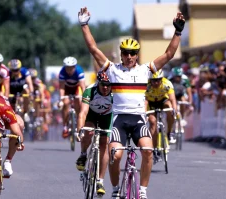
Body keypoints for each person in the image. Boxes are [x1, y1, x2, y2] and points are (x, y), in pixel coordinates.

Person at [78, 7, 185, 199]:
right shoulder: (112, 70)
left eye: (132, 53)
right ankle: (115, 189)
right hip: (118, 119)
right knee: (115, 156)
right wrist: (84, 25)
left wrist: (177, 32)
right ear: (121, 54)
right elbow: (93, 49)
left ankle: (142, 191)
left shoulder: (145, 70)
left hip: (137, 119)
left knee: (148, 151)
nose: (129, 56)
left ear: (137, 54)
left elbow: (169, 54)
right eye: (125, 53)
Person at [76, 71, 113, 197]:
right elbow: (82, 113)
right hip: (91, 115)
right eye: (103, 85)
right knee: (89, 131)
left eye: (108, 85)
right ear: (98, 83)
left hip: (106, 117)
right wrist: (80, 130)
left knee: (105, 143)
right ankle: (83, 154)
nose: (105, 88)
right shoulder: (89, 91)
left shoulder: (116, 93)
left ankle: (100, 181)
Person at [145, 70, 177, 164]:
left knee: (170, 109)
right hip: (151, 103)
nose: (156, 83)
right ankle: (154, 149)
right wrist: (143, 112)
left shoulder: (167, 84)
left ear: (162, 79)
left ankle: (170, 132)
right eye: (153, 80)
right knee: (153, 122)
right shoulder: (147, 86)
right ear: (150, 80)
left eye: (158, 80)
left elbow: (172, 99)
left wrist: (174, 109)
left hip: (162, 101)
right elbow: (145, 101)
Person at [58, 56, 86, 138]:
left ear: (75, 67)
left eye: (71, 68)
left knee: (79, 103)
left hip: (76, 88)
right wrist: (61, 98)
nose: (69, 70)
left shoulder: (79, 71)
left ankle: (78, 122)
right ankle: (65, 126)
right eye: (67, 68)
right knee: (65, 103)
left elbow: (83, 87)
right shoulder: (62, 72)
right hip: (66, 89)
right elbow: (62, 87)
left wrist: (84, 98)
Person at [168, 66, 193, 136]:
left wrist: (190, 103)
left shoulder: (185, 79)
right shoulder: (169, 80)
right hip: (172, 94)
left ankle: (182, 117)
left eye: (179, 76)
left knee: (183, 100)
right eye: (176, 77)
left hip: (181, 94)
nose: (178, 78)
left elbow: (189, 92)